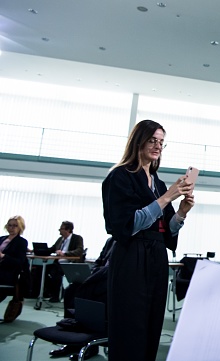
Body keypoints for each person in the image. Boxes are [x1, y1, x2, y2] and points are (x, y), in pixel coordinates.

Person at [102, 119, 195, 361]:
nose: (157, 146)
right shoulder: (119, 176)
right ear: (138, 140)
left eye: (162, 142)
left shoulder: (159, 183)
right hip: (131, 256)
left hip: (155, 256)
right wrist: (166, 198)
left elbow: (165, 231)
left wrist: (182, 211)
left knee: (153, 323)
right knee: (130, 325)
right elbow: (129, 225)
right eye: (153, 140)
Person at [48, 236, 115, 360]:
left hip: (112, 283)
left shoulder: (130, 241)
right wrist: (92, 272)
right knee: (71, 290)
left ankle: (90, 344)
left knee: (91, 294)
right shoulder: (110, 240)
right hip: (98, 278)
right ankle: (72, 341)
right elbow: (99, 261)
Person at [45, 221, 85, 303]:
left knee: (55, 274)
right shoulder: (60, 239)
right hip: (58, 263)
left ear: (68, 230)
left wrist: (65, 253)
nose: (59, 230)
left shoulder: (77, 238)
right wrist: (39, 250)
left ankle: (56, 296)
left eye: (61, 228)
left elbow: (79, 250)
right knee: (43, 270)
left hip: (70, 263)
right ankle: (50, 293)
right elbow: (53, 249)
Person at [0, 216, 28, 303]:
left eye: (15, 226)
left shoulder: (21, 242)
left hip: (8, 273)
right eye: (9, 225)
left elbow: (19, 262)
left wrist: (3, 256)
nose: (11, 228)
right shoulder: (1, 239)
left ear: (20, 227)